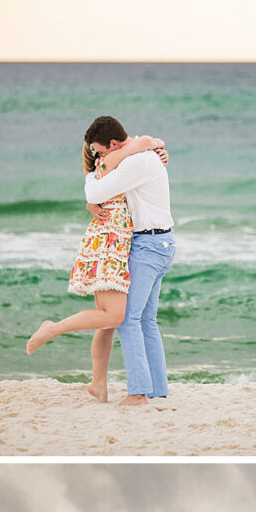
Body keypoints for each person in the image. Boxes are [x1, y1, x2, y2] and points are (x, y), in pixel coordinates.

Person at [58, 117, 176, 410]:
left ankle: (137, 394)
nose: (99, 157)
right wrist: (152, 142)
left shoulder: (135, 162)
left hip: (147, 245)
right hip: (162, 242)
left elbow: (95, 191)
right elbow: (103, 179)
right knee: (146, 320)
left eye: (100, 151)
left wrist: (148, 143)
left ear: (113, 144)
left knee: (128, 320)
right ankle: (157, 391)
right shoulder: (142, 154)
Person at [25, 127, 141, 399]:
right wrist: (156, 143)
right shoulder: (111, 160)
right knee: (114, 316)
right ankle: (52, 328)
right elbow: (142, 142)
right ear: (110, 145)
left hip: (106, 241)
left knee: (107, 321)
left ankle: (98, 384)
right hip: (109, 243)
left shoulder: (102, 165)